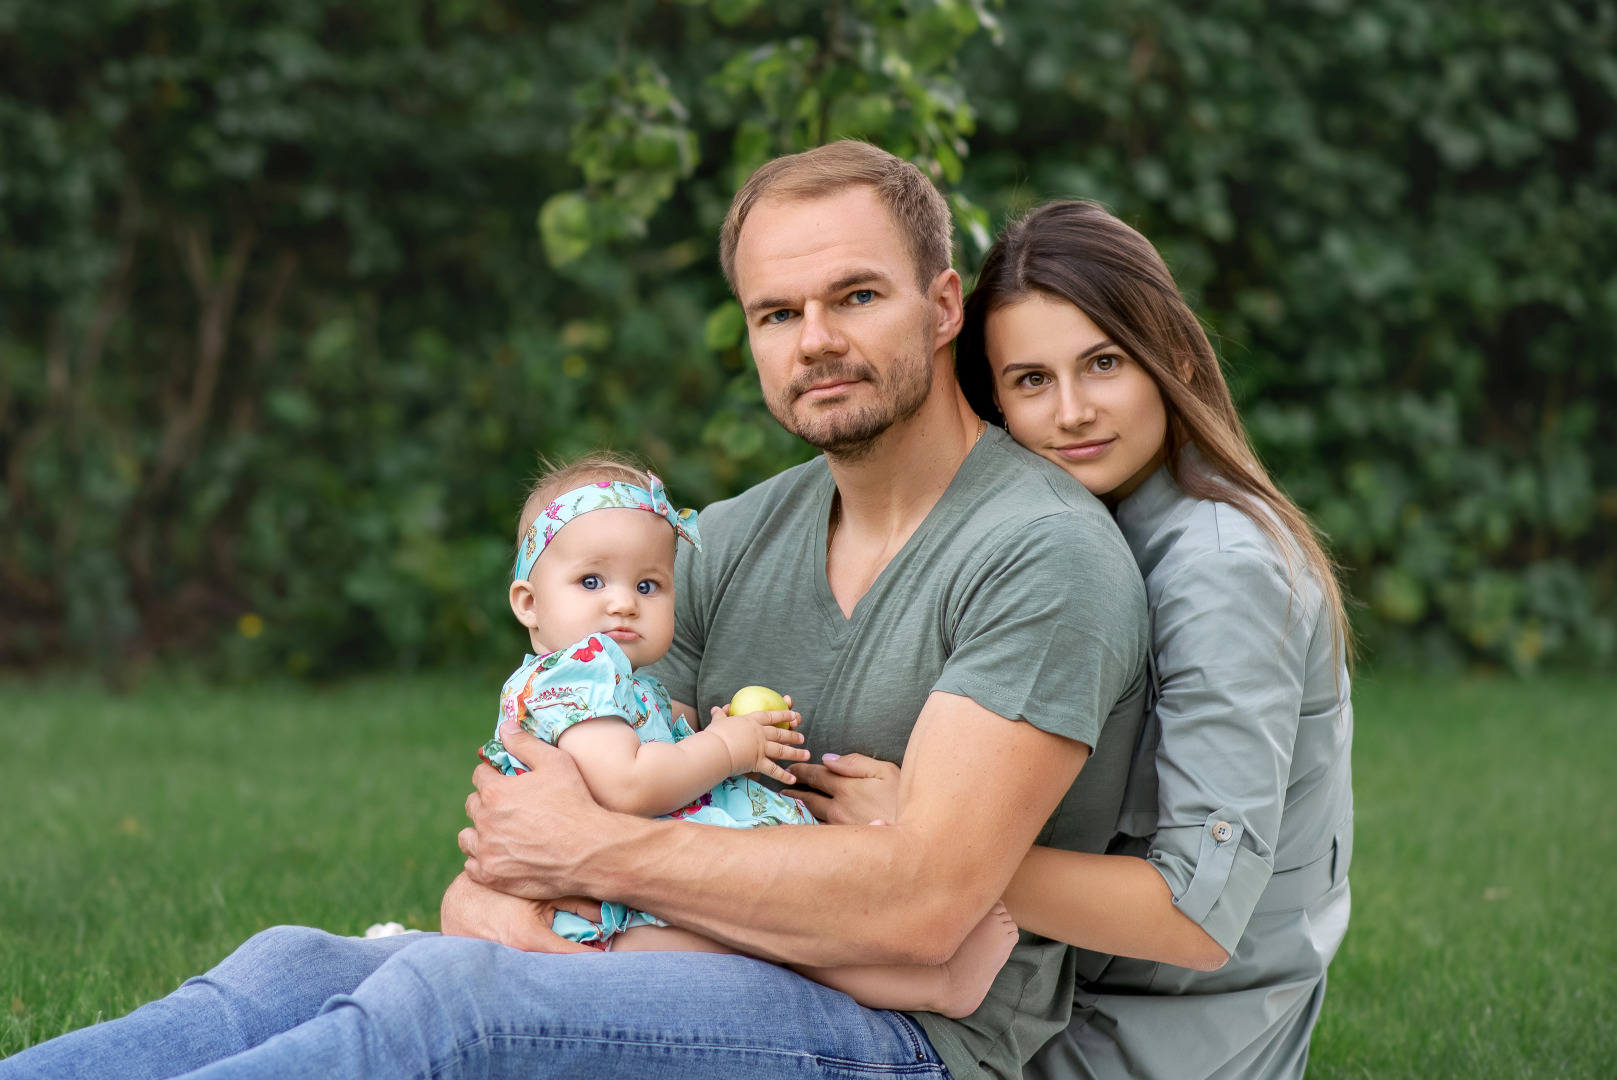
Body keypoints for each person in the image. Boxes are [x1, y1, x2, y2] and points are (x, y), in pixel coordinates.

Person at [0, 142, 1149, 1080]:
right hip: (697, 954)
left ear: (944, 305)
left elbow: (922, 910)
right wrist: (522, 897)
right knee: (293, 962)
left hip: (914, 1040)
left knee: (448, 1009)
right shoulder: (720, 541)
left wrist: (591, 856)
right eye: (775, 312)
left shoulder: (1036, 552)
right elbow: (514, 833)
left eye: (856, 296)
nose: (817, 341)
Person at [794, 201, 1355, 1080]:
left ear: (1170, 359)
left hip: (1148, 1041)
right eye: (1028, 381)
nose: (1071, 413)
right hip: (1022, 990)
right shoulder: (1062, 536)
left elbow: (1194, 918)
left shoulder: (1221, 570)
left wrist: (925, 844)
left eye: (1102, 364)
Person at [477, 453, 1019, 1016]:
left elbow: (640, 759)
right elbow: (628, 785)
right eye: (591, 580)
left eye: (648, 584)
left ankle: (928, 980)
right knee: (773, 940)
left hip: (628, 891)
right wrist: (726, 748)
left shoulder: (616, 680)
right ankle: (936, 988)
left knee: (781, 933)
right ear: (529, 603)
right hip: (615, 922)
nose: (623, 602)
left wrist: (708, 733)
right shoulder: (578, 672)